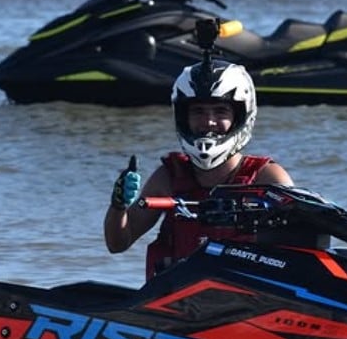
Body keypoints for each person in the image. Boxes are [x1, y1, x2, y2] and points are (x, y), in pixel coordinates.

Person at [103, 58, 294, 279]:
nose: (209, 122)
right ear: (183, 117)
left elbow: (299, 249)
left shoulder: (267, 177)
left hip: (247, 304)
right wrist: (118, 206)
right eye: (199, 112)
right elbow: (117, 244)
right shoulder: (168, 177)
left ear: (240, 117)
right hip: (173, 305)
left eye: (221, 111)